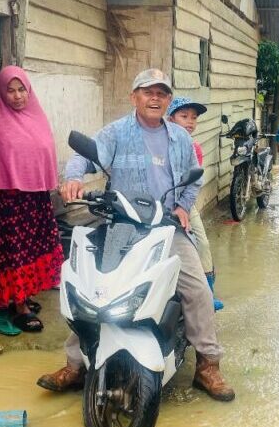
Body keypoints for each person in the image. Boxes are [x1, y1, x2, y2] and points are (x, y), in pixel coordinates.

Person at [37, 69, 235, 402]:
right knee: (91, 286)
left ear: (168, 100)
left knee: (197, 288)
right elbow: (83, 156)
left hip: (164, 226)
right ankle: (76, 363)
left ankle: (207, 364)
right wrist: (72, 179)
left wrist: (184, 207)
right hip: (121, 224)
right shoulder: (116, 133)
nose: (155, 98)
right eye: (148, 92)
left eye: (161, 93)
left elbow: (193, 180)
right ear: (135, 97)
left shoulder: (181, 138)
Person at [0, 66, 64, 334]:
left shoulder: (38, 117)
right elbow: (0, 163)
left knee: (33, 248)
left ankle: (23, 297)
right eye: (10, 90)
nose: (17, 96)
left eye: (21, 89)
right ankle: (20, 306)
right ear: (2, 93)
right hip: (11, 202)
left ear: (28, 90)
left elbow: (44, 153)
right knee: (15, 251)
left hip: (35, 199)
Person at [166, 96, 224, 311]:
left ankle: (207, 293)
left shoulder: (194, 148)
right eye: (184, 116)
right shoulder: (156, 142)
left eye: (194, 118)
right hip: (155, 205)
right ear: (170, 118)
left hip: (184, 205)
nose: (190, 122)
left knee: (201, 243)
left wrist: (183, 206)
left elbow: (194, 183)